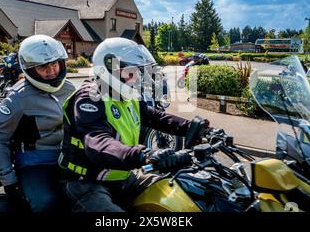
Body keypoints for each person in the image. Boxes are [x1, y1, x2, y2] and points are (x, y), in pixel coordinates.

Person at [59, 37, 209, 212]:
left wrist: (197, 128)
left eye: (139, 72)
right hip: (86, 182)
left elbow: (156, 117)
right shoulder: (90, 97)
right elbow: (97, 141)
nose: (138, 78)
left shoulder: (127, 96)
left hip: (123, 177)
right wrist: (144, 154)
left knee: (182, 193)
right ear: (110, 70)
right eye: (132, 73)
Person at [0, 34, 75, 212]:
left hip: (70, 157)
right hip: (35, 162)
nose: (52, 71)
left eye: (54, 64)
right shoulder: (18, 98)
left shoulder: (70, 89)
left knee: (91, 194)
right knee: (46, 203)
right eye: (43, 67)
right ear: (30, 69)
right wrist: (8, 180)